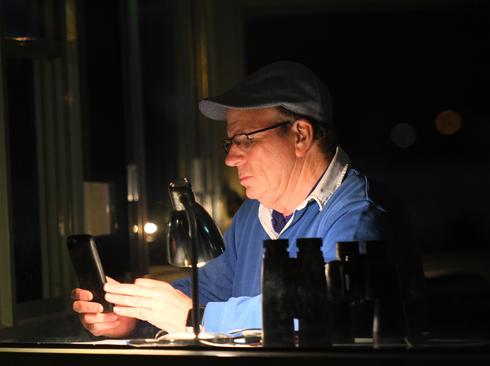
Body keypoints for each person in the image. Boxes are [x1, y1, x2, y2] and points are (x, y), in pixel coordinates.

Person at [71, 60, 423, 338]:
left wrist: (194, 318)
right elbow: (209, 289)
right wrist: (133, 316)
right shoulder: (254, 215)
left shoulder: (360, 214)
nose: (230, 158)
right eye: (230, 142)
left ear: (300, 135)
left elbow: (328, 308)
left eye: (246, 139)